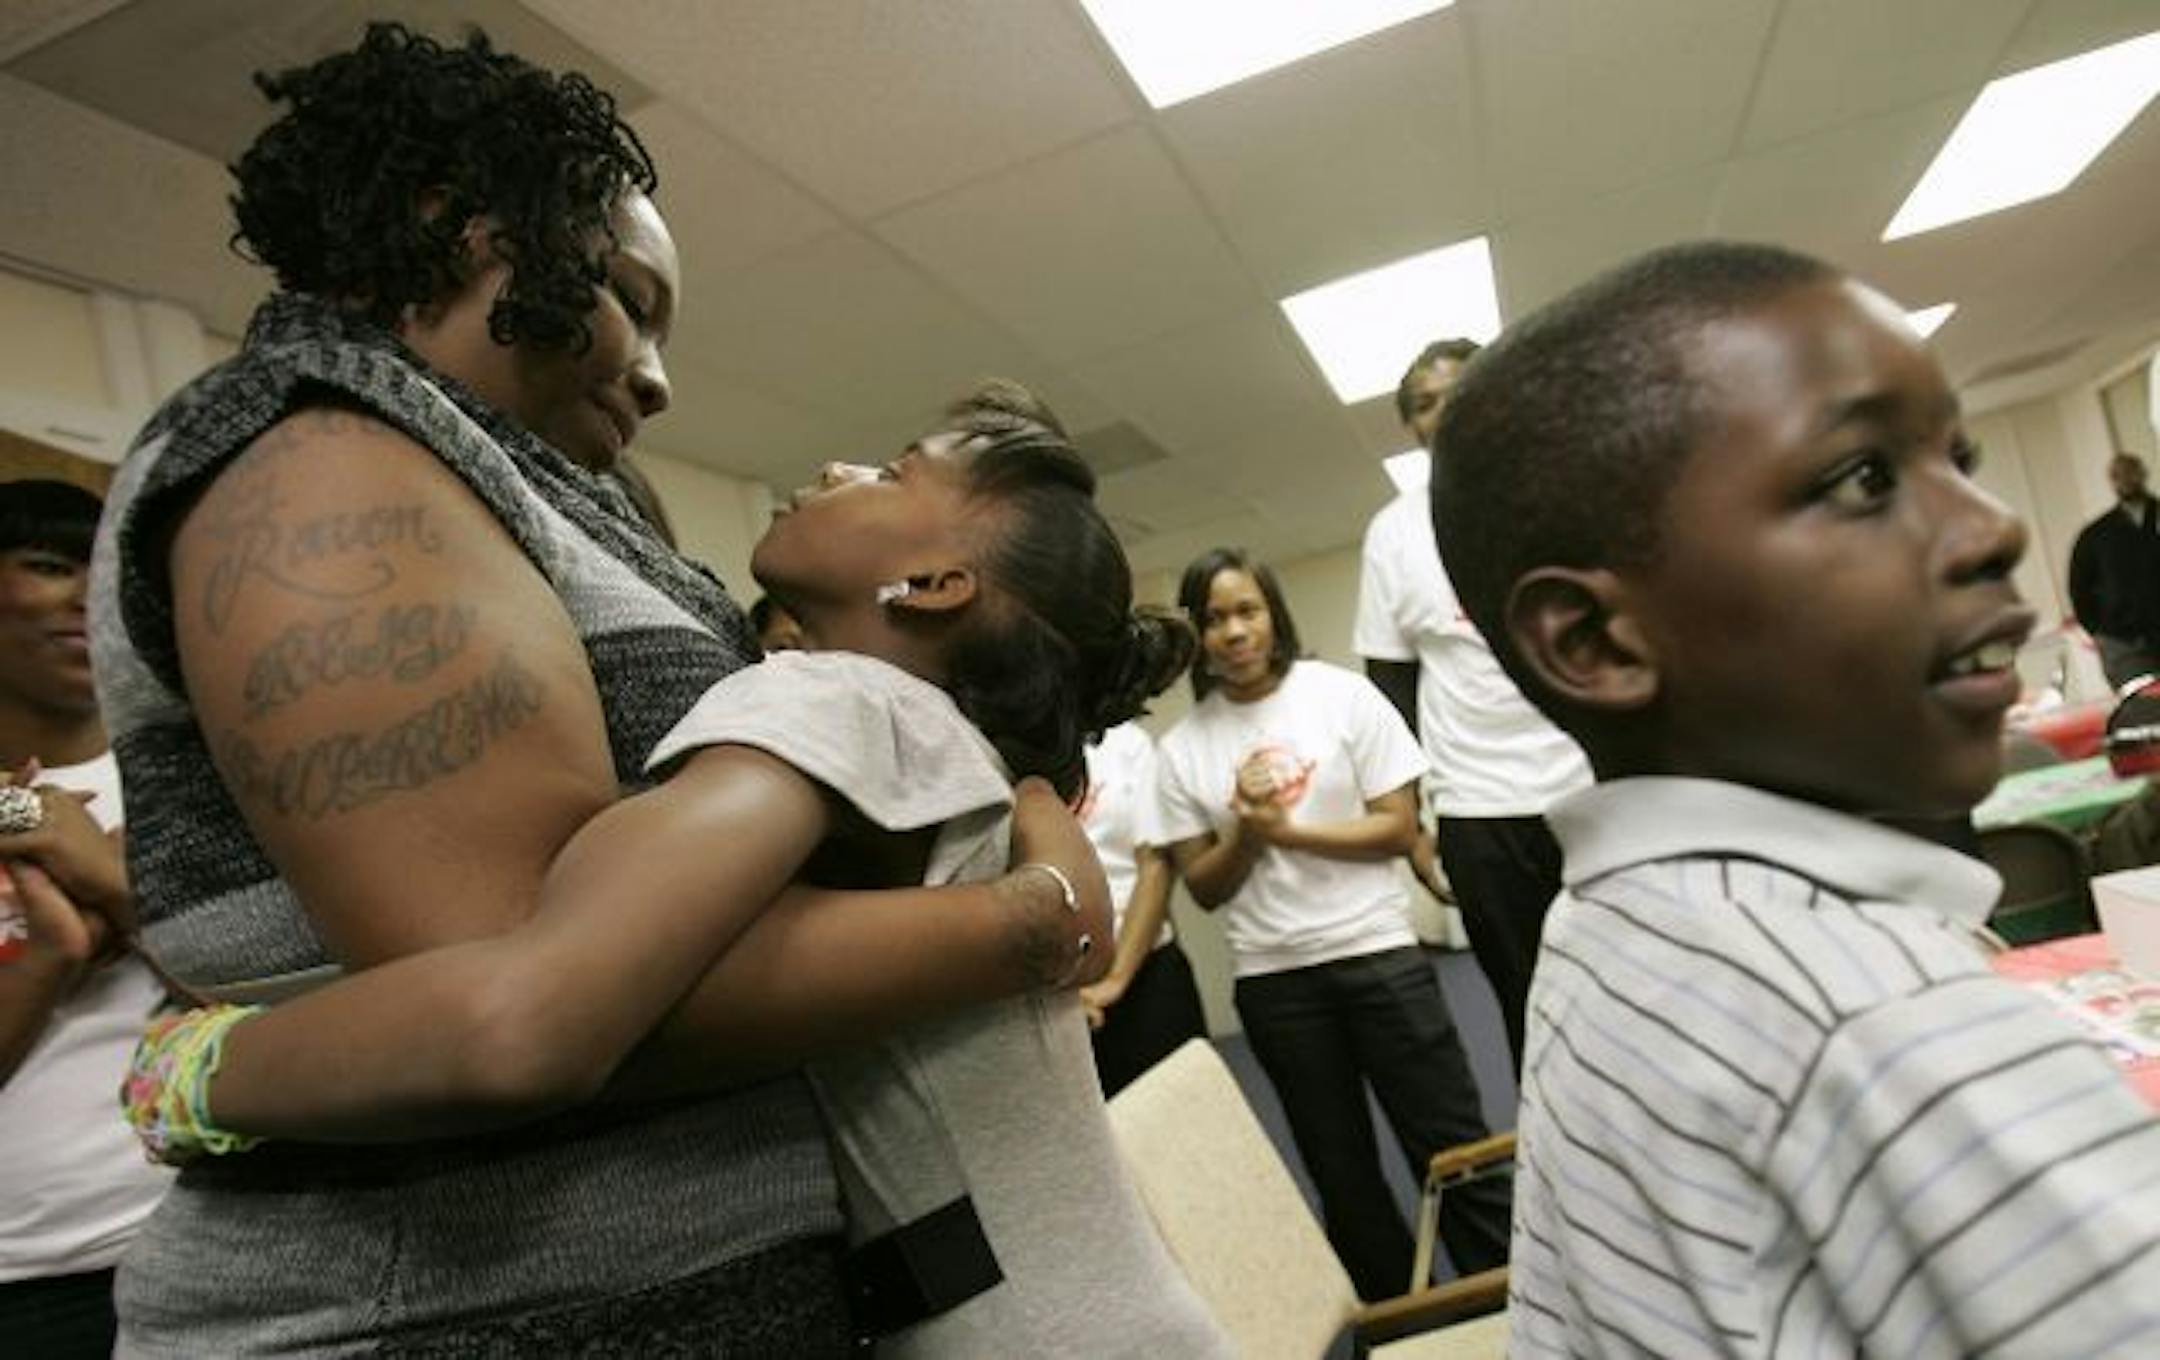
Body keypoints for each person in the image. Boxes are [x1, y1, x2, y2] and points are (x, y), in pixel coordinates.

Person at [79, 27, 1105, 1355]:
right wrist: (1035, 924)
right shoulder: (318, 455)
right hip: (469, 1315)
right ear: (467, 229)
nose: (662, 378)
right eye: (635, 298)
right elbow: (534, 1000)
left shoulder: (540, 493)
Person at [112, 384, 1228, 1357]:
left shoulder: (833, 699)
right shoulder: (939, 741)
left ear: (934, 582)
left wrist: (207, 1073)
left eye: (890, 473)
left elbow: (536, 991)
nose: (839, 469)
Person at [1432, 240, 2160, 1355]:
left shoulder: (1608, 917)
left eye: (1958, 458)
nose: (1994, 525)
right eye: (1863, 477)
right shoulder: (1885, 1027)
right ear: (1595, 640)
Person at [1154, 548, 1510, 1302]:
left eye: (1246, 610)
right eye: (1214, 619)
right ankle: (1401, 1326)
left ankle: (1509, 1307)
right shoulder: (1182, 750)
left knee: (1458, 1153)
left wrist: (1278, 831)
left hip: (1380, 958)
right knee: (1341, 1178)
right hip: (1276, 984)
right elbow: (1204, 887)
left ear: (1272, 614)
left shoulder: (1342, 698)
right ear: (1196, 637)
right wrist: (1246, 835)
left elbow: (1395, 828)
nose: (1234, 631)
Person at [1356, 337, 1590, 1071]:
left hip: (1590, 785)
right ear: (1411, 428)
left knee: (1639, 974)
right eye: (1425, 404)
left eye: (1460, 391)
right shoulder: (1393, 534)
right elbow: (1391, 691)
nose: (1445, 412)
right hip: (1479, 808)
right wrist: (1418, 826)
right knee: (1529, 1004)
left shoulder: (1566, 493)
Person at [0, 481, 168, 1359]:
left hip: (185, 1236)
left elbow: (267, 989)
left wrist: (106, 877)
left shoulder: (187, 774)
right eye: (47, 566)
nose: (83, 593)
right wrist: (50, 955)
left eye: (102, 571)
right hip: (18, 1281)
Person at [1076, 720, 1209, 1096]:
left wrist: (1115, 980)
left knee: (1189, 1129)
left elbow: (1154, 863)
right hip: (1054, 992)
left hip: (1145, 967)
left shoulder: (1125, 742)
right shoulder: (996, 745)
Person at [2068, 452, 2160, 690]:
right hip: (2125, 645)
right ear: (2112, 482)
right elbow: (2079, 590)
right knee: (2142, 713)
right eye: (2118, 476)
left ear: (2143, 473)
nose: (2126, 480)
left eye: (2131, 472)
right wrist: (2101, 632)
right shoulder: (2096, 535)